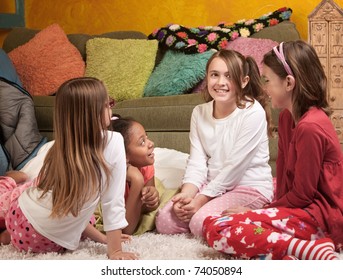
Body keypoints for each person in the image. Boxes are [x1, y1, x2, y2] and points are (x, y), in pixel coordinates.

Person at [203, 40, 343, 260]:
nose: (264, 88)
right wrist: (270, 209)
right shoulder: (288, 118)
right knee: (220, 221)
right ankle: (288, 253)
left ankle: (306, 249)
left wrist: (257, 213)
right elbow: (286, 175)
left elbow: (302, 196)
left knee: (217, 227)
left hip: (322, 217)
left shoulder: (311, 127)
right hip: (301, 208)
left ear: (289, 83)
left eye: (267, 80)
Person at [0, 77, 138, 260]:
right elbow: (113, 202)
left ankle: (6, 235)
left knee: (37, 192)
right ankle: (11, 182)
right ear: (92, 114)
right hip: (46, 241)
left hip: (19, 217)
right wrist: (115, 249)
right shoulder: (114, 141)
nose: (111, 108)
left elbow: (69, 209)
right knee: (74, 209)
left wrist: (104, 239)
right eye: (107, 104)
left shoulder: (60, 147)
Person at [155, 49, 274, 237]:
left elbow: (234, 168)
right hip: (213, 186)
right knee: (165, 221)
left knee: (199, 221)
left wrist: (201, 200)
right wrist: (187, 195)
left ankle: (261, 215)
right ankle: (206, 214)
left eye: (229, 76)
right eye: (214, 75)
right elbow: (196, 162)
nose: (220, 83)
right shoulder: (199, 113)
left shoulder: (252, 112)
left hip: (248, 186)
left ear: (244, 81)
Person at [110, 115, 159, 234]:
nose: (151, 143)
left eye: (147, 137)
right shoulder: (112, 178)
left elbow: (148, 207)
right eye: (142, 142)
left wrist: (152, 198)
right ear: (124, 155)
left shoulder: (146, 166)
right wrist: (137, 180)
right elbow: (126, 230)